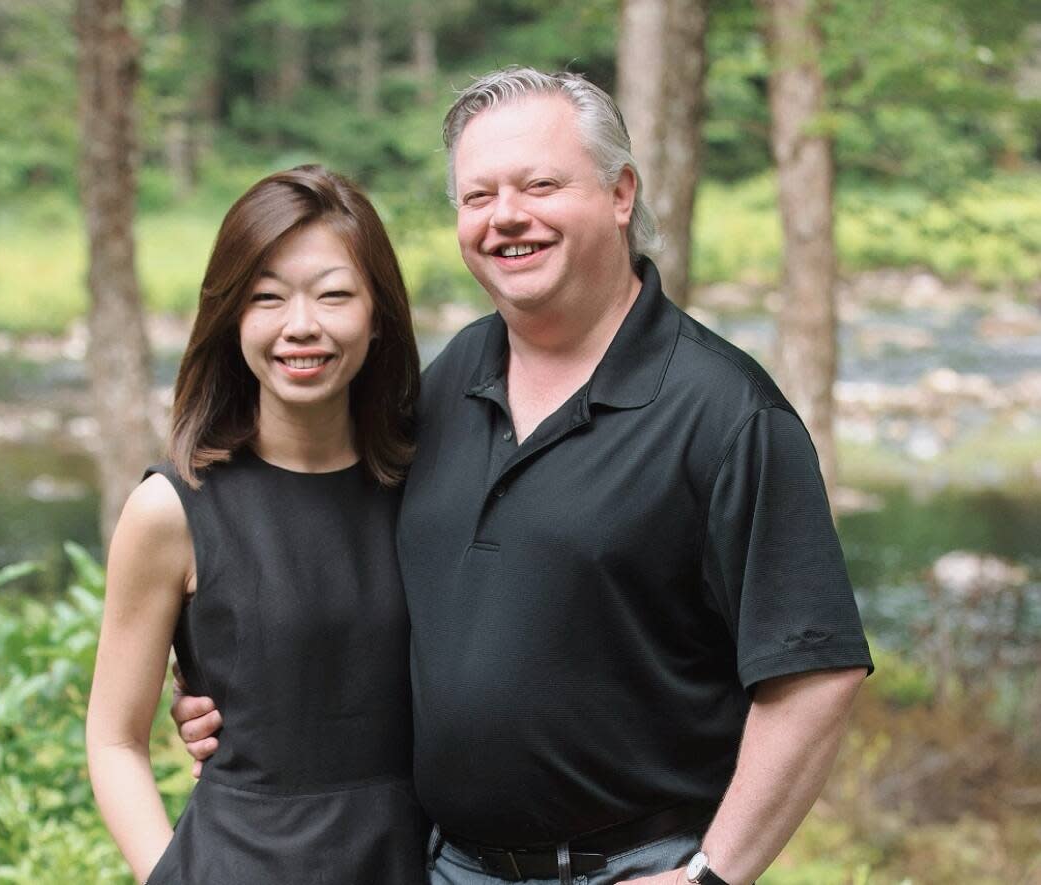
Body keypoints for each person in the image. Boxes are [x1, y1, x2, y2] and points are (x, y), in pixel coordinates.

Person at [173, 68, 873, 885]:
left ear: (621, 193)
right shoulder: (450, 378)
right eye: (478, 196)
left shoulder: (725, 414)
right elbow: (362, 578)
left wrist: (712, 876)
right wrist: (252, 694)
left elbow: (816, 673)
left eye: (540, 184)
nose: (507, 216)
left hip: (626, 867)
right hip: (440, 863)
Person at [85, 165, 428, 885]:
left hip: (416, 862)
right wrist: (176, 873)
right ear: (231, 316)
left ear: (378, 313)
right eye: (267, 298)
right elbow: (115, 738)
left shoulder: (434, 482)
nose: (301, 325)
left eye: (334, 294)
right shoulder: (174, 508)